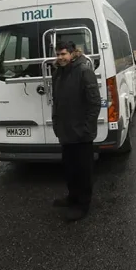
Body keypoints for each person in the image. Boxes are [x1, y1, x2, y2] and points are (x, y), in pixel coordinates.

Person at [51, 40, 101, 221]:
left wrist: (86, 128)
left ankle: (82, 205)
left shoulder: (84, 71)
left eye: (63, 54)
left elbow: (95, 102)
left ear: (73, 53)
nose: (60, 57)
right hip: (65, 132)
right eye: (58, 54)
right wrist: (56, 123)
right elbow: (56, 101)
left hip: (81, 134)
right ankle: (72, 197)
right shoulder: (57, 73)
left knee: (83, 171)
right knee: (70, 169)